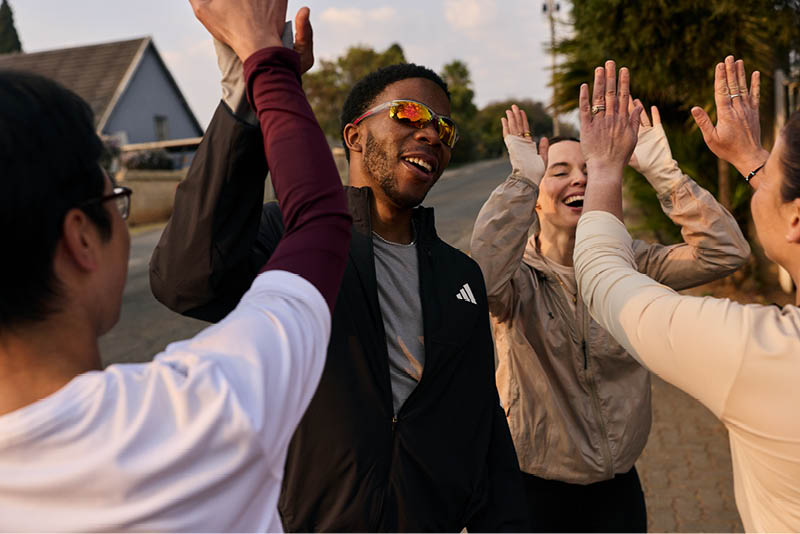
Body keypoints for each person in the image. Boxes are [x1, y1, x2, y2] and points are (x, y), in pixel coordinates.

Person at [149, 10, 527, 533]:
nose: (431, 134)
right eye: (409, 114)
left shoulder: (460, 275)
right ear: (355, 135)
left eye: (444, 129)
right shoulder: (292, 240)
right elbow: (185, 281)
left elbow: (482, 423)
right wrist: (247, 93)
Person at [0, 0, 352, 530]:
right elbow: (320, 220)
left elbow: (317, 221)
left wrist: (256, 72)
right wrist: (264, 60)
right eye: (115, 201)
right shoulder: (198, 415)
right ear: (81, 239)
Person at [470, 71, 751, 531]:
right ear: (536, 199)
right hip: (530, 485)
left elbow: (726, 252)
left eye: (591, 168)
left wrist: (664, 173)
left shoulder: (633, 264)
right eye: (559, 172)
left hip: (616, 483)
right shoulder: (515, 275)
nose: (579, 179)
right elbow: (478, 281)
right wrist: (521, 180)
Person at [573, 57, 800, 532]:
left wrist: (607, 168)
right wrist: (751, 158)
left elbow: (600, 274)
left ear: (795, 218)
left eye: (769, 176)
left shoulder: (764, 353)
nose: (757, 185)